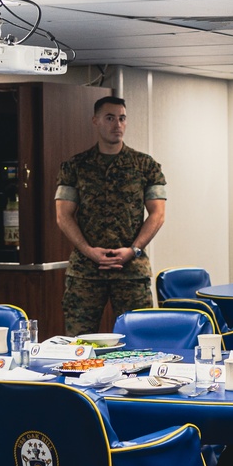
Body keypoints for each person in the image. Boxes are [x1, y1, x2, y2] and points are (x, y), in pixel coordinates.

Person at [55, 96, 166, 336]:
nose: (117, 124)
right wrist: (88, 250)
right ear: (95, 121)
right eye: (110, 118)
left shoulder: (145, 166)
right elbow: (63, 216)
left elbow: (157, 214)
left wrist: (133, 249)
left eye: (122, 118)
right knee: (79, 341)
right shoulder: (75, 166)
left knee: (140, 339)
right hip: (86, 270)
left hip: (131, 270)